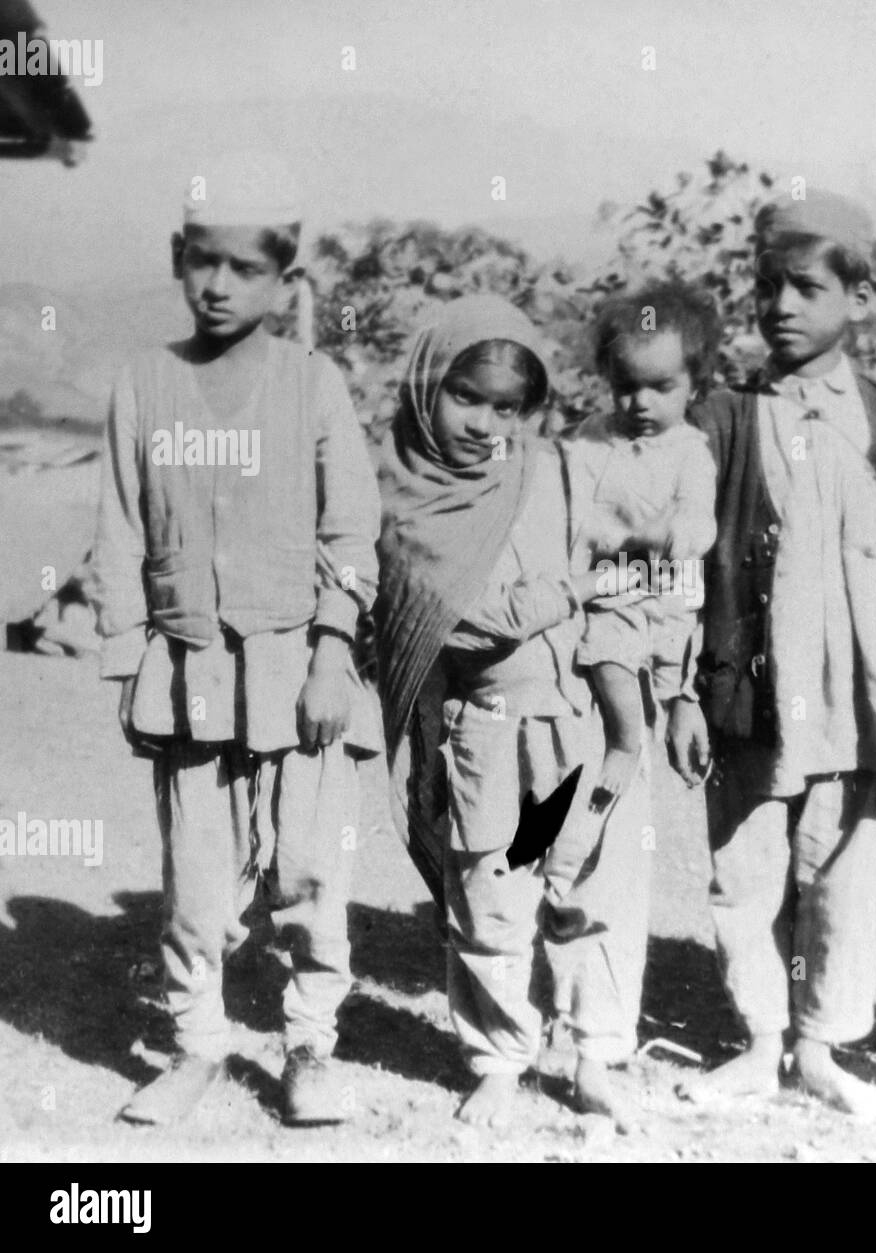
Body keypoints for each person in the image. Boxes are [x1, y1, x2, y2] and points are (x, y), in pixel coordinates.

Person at [90, 151, 382, 1127]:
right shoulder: (145, 385)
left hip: (298, 666)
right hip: (188, 672)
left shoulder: (314, 384)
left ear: (284, 280)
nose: (219, 285)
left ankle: (308, 1043)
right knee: (198, 881)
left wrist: (334, 649)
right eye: (203, 262)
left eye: (245, 267)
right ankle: (195, 1041)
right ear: (179, 259)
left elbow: (350, 532)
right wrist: (129, 664)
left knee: (306, 868)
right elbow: (123, 530)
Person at [669, 189, 876, 1115]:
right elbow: (684, 562)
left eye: (808, 288)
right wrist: (679, 689)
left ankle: (821, 1044)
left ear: (859, 299)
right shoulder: (722, 417)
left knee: (839, 868)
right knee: (745, 866)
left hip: (853, 696)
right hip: (751, 687)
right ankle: (759, 1037)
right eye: (767, 286)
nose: (781, 305)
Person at [374, 295, 652, 1131]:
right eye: (467, 397)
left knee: (585, 891)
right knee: (490, 900)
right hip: (485, 735)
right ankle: (498, 1057)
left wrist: (626, 695)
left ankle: (596, 1052)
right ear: (428, 389)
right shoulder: (407, 495)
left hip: (577, 728)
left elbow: (625, 567)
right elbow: (468, 615)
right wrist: (574, 588)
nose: (487, 424)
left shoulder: (555, 471)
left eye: (508, 407)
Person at [566, 280, 719, 801]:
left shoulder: (690, 451)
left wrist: (673, 533)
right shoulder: (592, 439)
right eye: (627, 386)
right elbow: (576, 513)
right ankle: (626, 744)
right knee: (609, 655)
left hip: (673, 592)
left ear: (694, 387)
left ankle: (674, 714)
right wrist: (619, 538)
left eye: (661, 388)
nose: (641, 403)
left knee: (677, 666)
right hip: (615, 589)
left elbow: (700, 520)